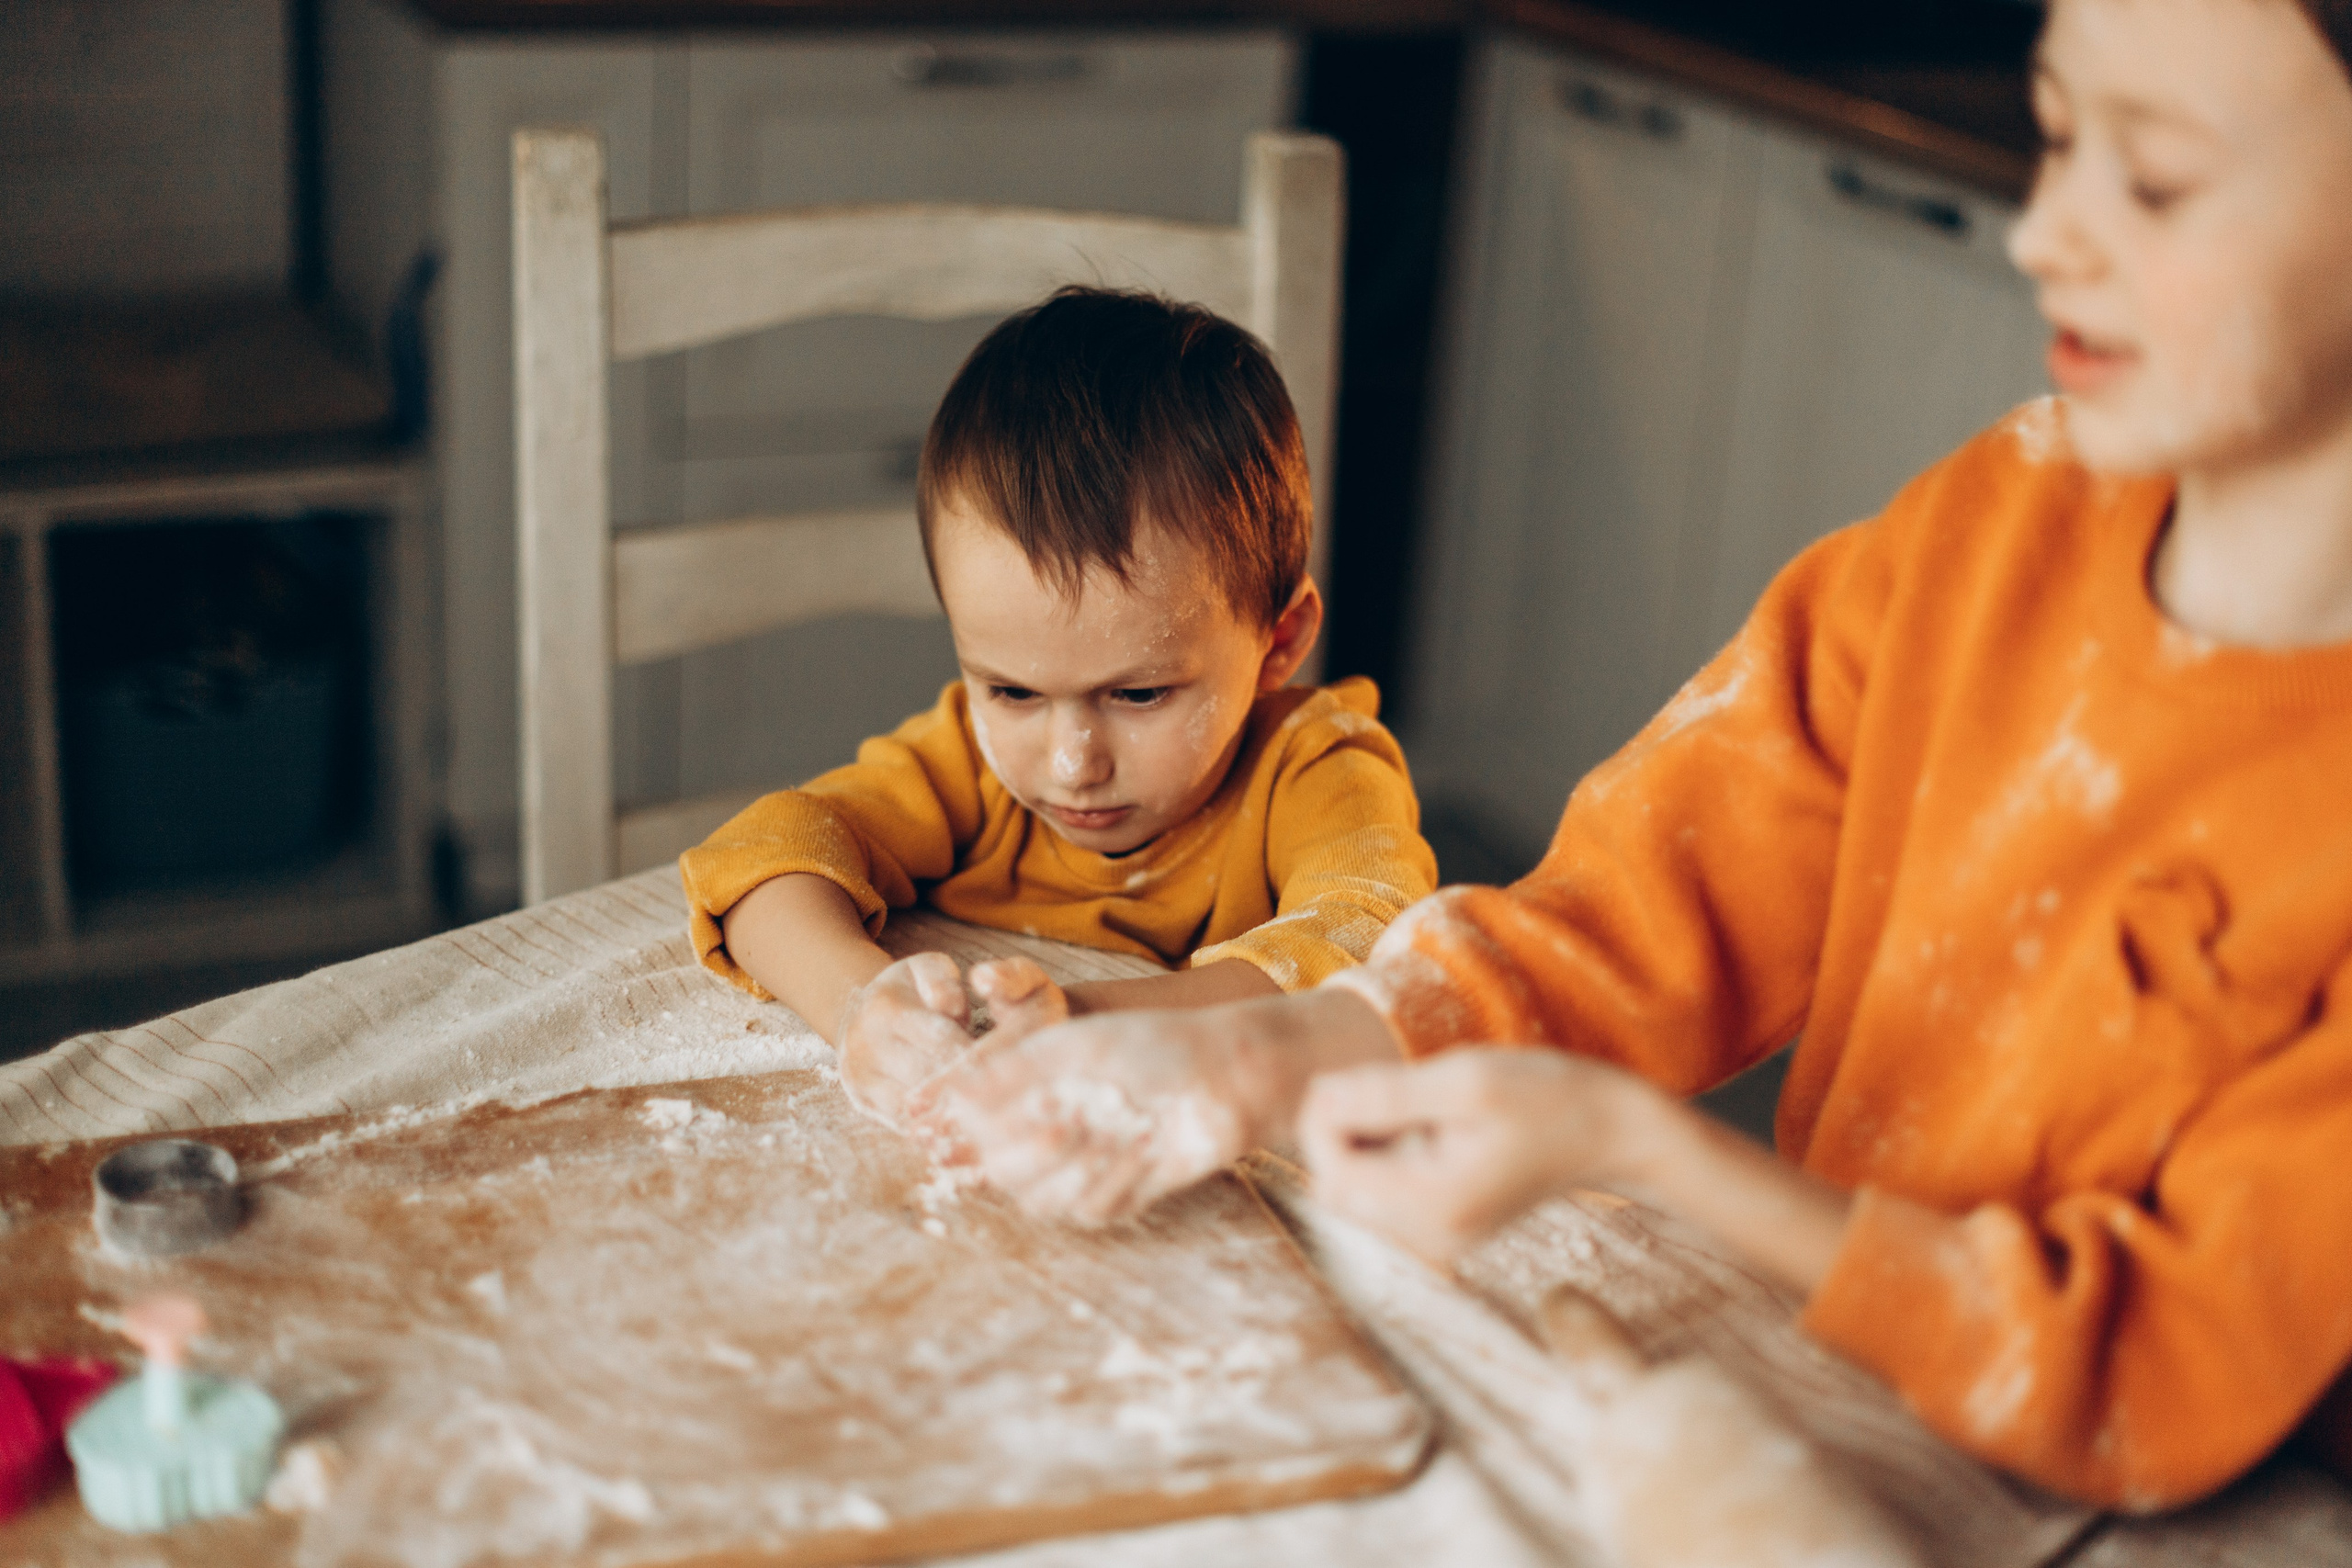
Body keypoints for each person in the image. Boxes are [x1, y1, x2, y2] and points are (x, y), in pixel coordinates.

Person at [910, 0, 2352, 1507]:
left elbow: (2150, 1369)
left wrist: (1645, 1148)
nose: (2046, 232)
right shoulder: (1997, 527)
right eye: (2056, 138)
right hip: (1839, 1393)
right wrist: (1256, 1052)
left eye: (2159, 180)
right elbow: (1627, 922)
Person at [683, 287, 1436, 1128]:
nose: (1074, 763)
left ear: (1279, 640)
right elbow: (763, 856)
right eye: (1013, 691)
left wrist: (1082, 1024)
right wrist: (859, 1002)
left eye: (1139, 693)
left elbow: (1372, 945)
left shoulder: (1317, 770)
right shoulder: (963, 765)